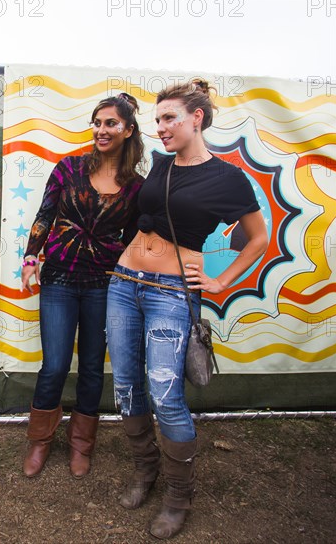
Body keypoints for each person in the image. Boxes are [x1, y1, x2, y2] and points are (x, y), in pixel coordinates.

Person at [106, 79, 269, 539]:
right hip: (125, 283)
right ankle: (145, 470)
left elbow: (257, 238)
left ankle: (179, 496)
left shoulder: (227, 178)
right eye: (157, 120)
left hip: (171, 293)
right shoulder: (159, 164)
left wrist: (220, 280)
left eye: (170, 118)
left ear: (197, 118)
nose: (161, 128)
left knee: (165, 394)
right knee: (125, 386)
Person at [21, 93, 145, 480]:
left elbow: (132, 239)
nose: (102, 130)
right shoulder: (68, 168)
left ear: (127, 130)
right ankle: (39, 442)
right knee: (55, 365)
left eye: (111, 123)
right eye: (98, 122)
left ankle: (81, 445)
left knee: (92, 367)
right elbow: (44, 215)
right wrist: (29, 259)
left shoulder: (136, 187)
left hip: (105, 285)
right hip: (58, 278)